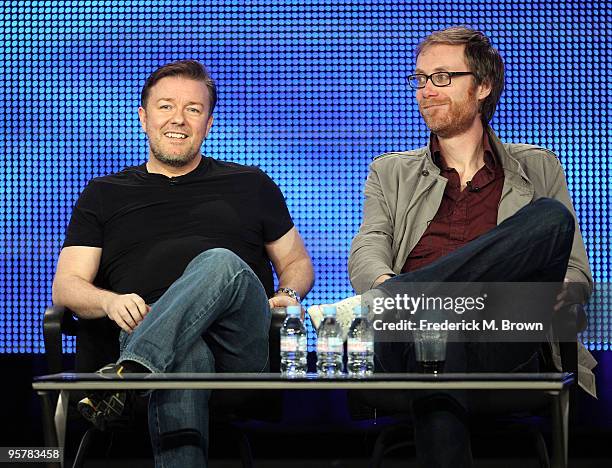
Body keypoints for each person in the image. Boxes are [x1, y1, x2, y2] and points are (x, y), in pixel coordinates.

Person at [309, 26, 596, 467]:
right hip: (407, 335)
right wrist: (400, 290)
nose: (426, 90)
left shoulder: (537, 166)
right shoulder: (390, 172)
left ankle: (406, 297)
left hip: (503, 330)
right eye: (421, 79)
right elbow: (368, 250)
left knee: (549, 218)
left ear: (482, 86)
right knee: (435, 323)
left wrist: (553, 299)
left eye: (442, 77)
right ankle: (412, 300)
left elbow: (575, 275)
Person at [52, 60, 314, 467]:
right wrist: (109, 303)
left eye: (193, 109)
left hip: (235, 346)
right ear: (143, 118)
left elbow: (296, 260)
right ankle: (141, 368)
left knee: (220, 262)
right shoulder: (104, 193)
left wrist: (287, 292)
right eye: (165, 107)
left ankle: (129, 374)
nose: (179, 119)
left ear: (208, 123)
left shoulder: (251, 183)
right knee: (185, 354)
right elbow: (67, 286)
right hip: (144, 329)